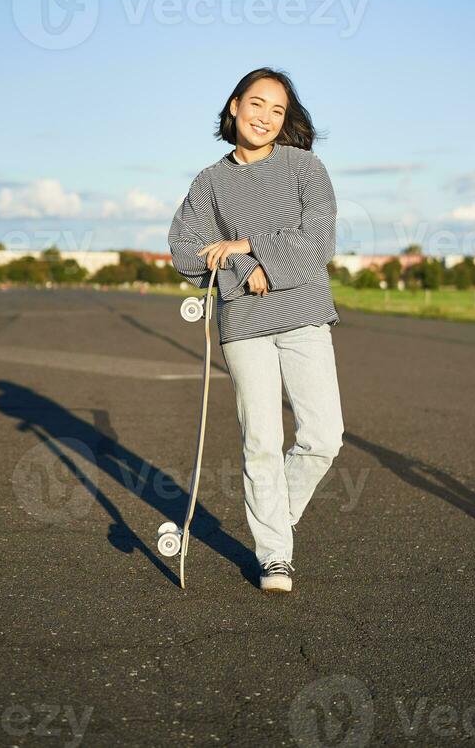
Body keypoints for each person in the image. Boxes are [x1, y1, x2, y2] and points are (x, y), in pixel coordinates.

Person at [167, 67, 344, 594]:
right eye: (256, 104)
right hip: (243, 324)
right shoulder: (208, 181)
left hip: (306, 315)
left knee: (323, 438)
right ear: (234, 105)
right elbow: (184, 251)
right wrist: (246, 269)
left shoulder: (306, 167)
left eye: (277, 111)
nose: (265, 117)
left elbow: (320, 244)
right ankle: (274, 555)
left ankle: (274, 518)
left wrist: (247, 245)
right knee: (262, 442)